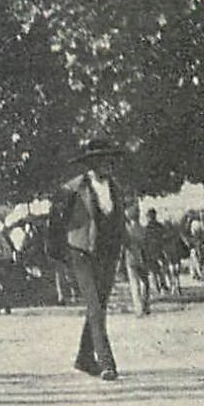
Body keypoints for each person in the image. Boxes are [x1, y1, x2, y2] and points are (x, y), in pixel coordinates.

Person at [48, 138, 128, 381]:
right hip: (80, 251)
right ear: (92, 163)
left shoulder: (115, 188)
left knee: (99, 307)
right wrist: (57, 252)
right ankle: (107, 363)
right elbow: (55, 222)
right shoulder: (72, 189)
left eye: (110, 159)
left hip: (107, 253)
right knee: (94, 306)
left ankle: (84, 358)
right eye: (102, 160)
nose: (108, 164)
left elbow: (118, 221)